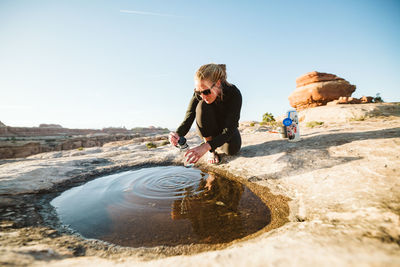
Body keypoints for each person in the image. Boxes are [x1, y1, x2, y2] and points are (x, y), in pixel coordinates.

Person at [169, 63, 242, 164]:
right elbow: (189, 117)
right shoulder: (200, 93)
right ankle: (211, 150)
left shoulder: (234, 93)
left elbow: (230, 129)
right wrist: (177, 134)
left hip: (226, 129)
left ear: (218, 83)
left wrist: (204, 147)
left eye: (206, 92)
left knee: (232, 151)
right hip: (208, 130)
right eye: (198, 92)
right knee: (202, 105)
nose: (202, 96)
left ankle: (212, 144)